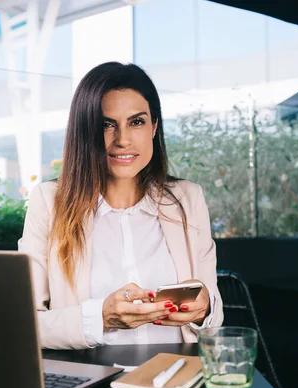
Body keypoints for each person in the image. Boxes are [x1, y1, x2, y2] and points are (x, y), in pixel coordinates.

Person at [18, 62, 223, 350]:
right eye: (106, 125)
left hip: (178, 378)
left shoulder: (188, 199)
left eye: (136, 122)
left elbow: (213, 313)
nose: (123, 140)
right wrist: (100, 318)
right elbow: (24, 324)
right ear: (86, 131)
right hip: (94, 382)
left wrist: (204, 309)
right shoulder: (49, 203)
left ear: (154, 127)